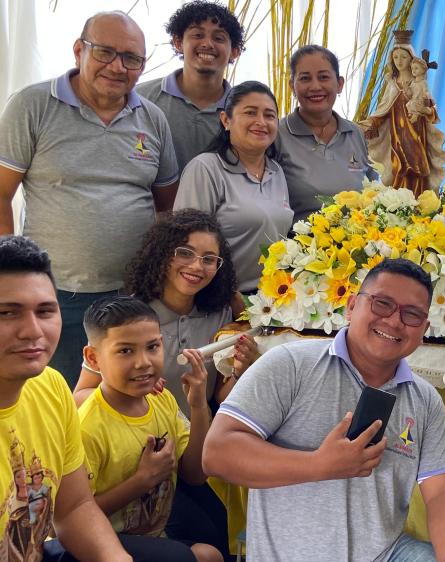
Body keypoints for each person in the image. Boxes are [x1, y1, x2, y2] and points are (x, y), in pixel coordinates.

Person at [202, 259, 445, 561]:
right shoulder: (290, 364)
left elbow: (443, 493)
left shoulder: (423, 399)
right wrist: (319, 465)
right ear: (352, 305)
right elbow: (216, 453)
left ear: (423, 329)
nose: (395, 321)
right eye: (382, 304)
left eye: (411, 315)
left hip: (386, 554)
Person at [0, 11, 180, 387]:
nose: (117, 66)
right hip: (57, 294)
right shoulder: (32, 105)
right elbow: (2, 192)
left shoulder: (153, 118)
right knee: (55, 396)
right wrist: (11, 276)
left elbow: (167, 206)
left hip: (133, 295)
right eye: (105, 52)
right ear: (79, 50)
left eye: (131, 58)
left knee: (121, 400)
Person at [73, 209, 248, 559]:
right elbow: (81, 393)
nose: (197, 266)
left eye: (209, 259)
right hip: (133, 454)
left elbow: (219, 396)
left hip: (190, 443)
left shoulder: (221, 313)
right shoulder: (131, 318)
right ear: (163, 252)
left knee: (223, 535)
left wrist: (242, 371)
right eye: (185, 252)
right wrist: (130, 401)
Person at [0, 235, 176, 562]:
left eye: (45, 310)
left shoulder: (51, 387)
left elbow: (75, 507)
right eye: (7, 313)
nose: (32, 330)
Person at [78, 296, 219, 562]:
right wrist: (142, 480)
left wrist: (199, 406)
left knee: (211, 553)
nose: (143, 362)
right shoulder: (88, 427)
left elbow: (195, 475)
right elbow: (74, 516)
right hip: (98, 546)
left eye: (152, 347)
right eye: (125, 351)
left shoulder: (161, 398)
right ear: (93, 358)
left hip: (155, 534)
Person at [174, 81, 293, 294]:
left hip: (271, 299)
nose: (261, 122)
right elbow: (186, 247)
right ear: (226, 120)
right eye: (250, 113)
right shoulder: (206, 169)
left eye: (269, 115)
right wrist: (229, 298)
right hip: (218, 299)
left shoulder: (276, 172)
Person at [136, 1, 245, 172]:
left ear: (235, 51)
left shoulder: (244, 111)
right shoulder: (140, 99)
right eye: (197, 35)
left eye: (218, 38)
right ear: (178, 43)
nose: (207, 44)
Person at [278, 45, 378, 223]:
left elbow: (372, 191)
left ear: (339, 84)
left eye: (323, 77)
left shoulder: (356, 133)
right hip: (296, 246)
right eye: (305, 78)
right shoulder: (277, 134)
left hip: (356, 245)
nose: (315, 86)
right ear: (292, 86)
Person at [360, 31, 445, 196]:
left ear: (411, 59)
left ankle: (418, 196)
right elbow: (383, 108)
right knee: (399, 165)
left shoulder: (420, 83)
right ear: (391, 60)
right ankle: (400, 199)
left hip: (415, 130)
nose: (399, 61)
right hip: (397, 131)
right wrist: (373, 122)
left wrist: (425, 110)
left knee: (417, 163)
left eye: (404, 57)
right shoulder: (392, 84)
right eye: (396, 58)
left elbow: (431, 107)